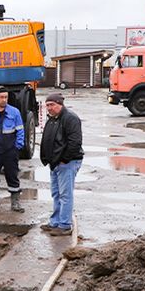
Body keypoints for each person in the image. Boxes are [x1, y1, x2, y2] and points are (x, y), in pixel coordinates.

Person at [39, 92, 83, 236]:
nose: (49, 108)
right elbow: (48, 138)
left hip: (67, 163)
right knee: (56, 193)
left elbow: (75, 142)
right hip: (55, 163)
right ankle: (55, 222)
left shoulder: (70, 119)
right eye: (47, 105)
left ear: (60, 104)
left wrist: (64, 159)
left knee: (65, 195)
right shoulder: (52, 119)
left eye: (52, 105)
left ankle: (65, 225)